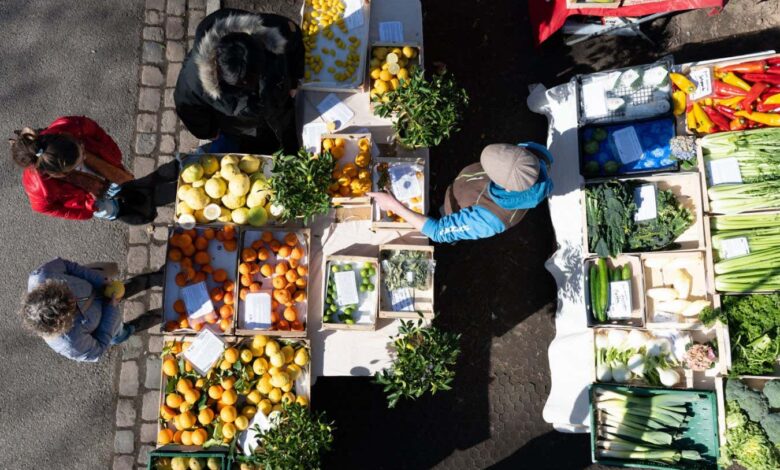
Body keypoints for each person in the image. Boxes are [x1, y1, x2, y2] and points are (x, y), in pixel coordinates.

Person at [174, 8, 304, 155]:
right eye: (245, 83)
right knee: (258, 144)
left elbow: (293, 36)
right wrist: (209, 132)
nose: (252, 85)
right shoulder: (193, 81)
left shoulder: (268, 31)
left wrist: (295, 79)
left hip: (277, 97)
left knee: (289, 132)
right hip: (244, 123)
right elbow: (189, 109)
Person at [369, 143, 554, 243]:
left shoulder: (491, 219)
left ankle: (445, 213)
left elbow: (438, 231)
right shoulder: (529, 158)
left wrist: (393, 206)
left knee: (446, 218)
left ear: (507, 188)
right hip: (465, 187)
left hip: (459, 210)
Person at [10, 116, 178, 224]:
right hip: (93, 201)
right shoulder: (39, 189)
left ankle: (138, 191)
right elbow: (46, 208)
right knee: (137, 215)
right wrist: (85, 211)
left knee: (132, 188)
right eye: (77, 163)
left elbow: (94, 130)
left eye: (82, 150)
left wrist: (114, 154)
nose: (84, 156)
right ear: (59, 174)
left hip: (108, 172)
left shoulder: (68, 126)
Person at [20, 258, 161, 362]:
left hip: (100, 288)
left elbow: (68, 266)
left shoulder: (42, 276)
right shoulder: (69, 344)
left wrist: (99, 280)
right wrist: (111, 309)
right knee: (123, 333)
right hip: (110, 325)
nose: (75, 298)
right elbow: (98, 348)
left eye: (67, 291)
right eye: (72, 306)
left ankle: (158, 278)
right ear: (62, 325)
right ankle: (160, 316)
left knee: (126, 286)